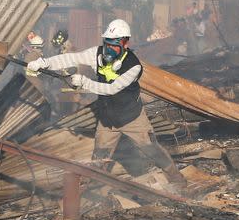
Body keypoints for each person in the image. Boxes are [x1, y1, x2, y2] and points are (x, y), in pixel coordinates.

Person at [27, 19, 186, 186]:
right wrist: (44, 63)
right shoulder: (96, 54)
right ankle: (96, 194)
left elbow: (112, 89)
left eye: (114, 44)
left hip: (132, 118)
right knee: (100, 159)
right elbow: (70, 58)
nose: (109, 48)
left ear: (125, 43)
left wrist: (84, 82)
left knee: (152, 150)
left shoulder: (133, 66)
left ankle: (178, 181)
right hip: (107, 120)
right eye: (107, 43)